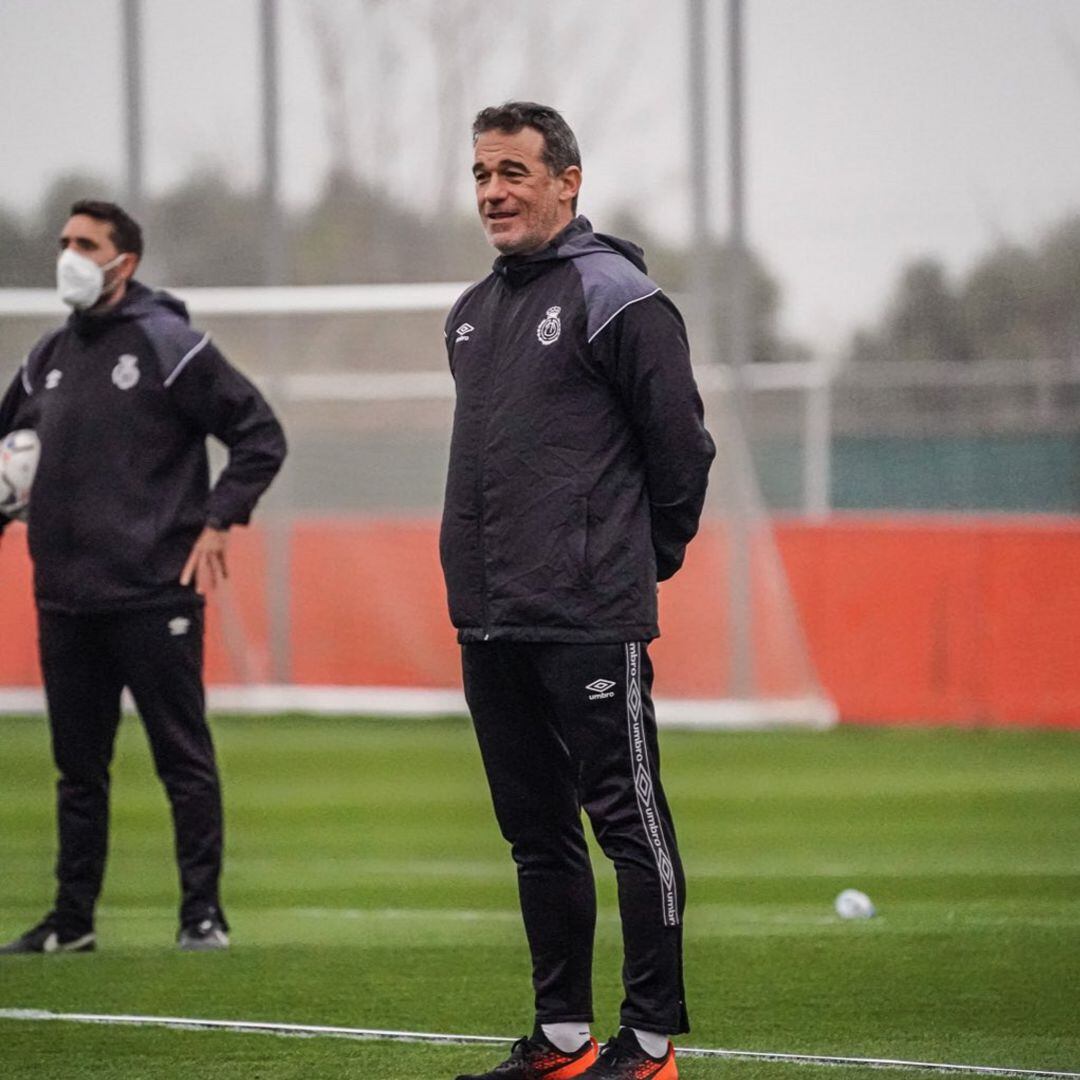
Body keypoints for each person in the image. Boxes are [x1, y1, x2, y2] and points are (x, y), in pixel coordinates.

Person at [441, 103, 716, 1080]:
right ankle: (563, 1038)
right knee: (535, 836)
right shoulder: (471, 314)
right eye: (481, 173)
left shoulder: (619, 294)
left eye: (514, 171)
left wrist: (649, 557)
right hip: (492, 616)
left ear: (568, 181)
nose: (493, 191)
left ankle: (648, 1043)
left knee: (627, 823)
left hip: (590, 613)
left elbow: (681, 446)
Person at [0, 200, 286, 954]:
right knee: (77, 772)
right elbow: (7, 458)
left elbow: (260, 436)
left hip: (155, 591)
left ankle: (201, 915)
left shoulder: (171, 346)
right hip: (63, 595)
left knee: (182, 760)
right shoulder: (44, 358)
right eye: (63, 240)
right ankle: (72, 922)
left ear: (123, 262)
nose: (68, 254)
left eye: (85, 243)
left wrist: (220, 518)